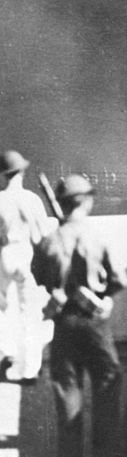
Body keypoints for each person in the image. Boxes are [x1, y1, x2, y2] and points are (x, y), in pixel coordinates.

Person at [31, 174, 127, 457]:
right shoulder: (96, 237)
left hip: (63, 320)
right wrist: (105, 296)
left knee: (67, 386)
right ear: (87, 201)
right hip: (93, 322)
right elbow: (120, 279)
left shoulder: (50, 240)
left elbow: (39, 276)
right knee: (107, 383)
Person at [0, 149, 56, 381]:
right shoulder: (32, 199)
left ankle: (10, 357)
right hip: (26, 255)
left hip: (5, 255)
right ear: (22, 172)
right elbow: (44, 233)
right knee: (30, 312)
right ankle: (29, 369)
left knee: (6, 309)